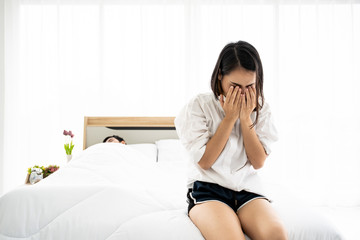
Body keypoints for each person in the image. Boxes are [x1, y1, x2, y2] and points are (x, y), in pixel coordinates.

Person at [175, 40, 287, 240]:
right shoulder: (199, 106)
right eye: (235, 86)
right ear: (220, 75)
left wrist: (245, 119)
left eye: (249, 86)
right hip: (208, 189)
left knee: (276, 235)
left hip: (247, 189)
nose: (243, 93)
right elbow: (205, 161)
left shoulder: (261, 108)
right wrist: (229, 119)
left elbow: (258, 162)